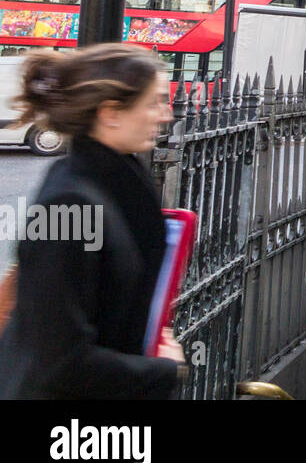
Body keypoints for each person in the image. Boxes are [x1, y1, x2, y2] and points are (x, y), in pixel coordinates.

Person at [0, 45, 187, 399]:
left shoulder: (112, 179)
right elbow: (59, 361)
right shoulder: (68, 203)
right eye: (153, 102)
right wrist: (164, 369)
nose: (165, 114)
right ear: (111, 113)